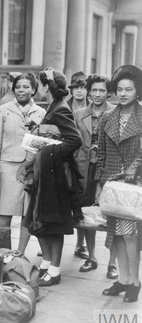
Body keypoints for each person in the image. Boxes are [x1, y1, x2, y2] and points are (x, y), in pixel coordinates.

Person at [24, 68, 82, 287]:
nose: (38, 88)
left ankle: (55, 271)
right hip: (46, 171)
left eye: (40, 84)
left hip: (55, 174)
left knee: (53, 221)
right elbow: (55, 134)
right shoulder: (53, 107)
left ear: (47, 87)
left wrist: (50, 149)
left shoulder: (60, 109)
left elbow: (74, 140)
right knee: (42, 219)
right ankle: (47, 264)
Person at [97, 65, 142, 303]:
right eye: (119, 89)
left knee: (131, 235)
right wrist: (98, 184)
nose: (123, 93)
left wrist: (131, 173)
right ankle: (123, 279)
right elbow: (101, 154)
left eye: (129, 89)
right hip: (111, 186)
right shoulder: (107, 118)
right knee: (116, 235)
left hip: (135, 185)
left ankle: (134, 281)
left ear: (138, 91)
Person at [0, 73, 46, 255]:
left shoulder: (41, 112)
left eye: (26, 87)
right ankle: (1, 253)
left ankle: (20, 253)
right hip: (8, 166)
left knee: (27, 214)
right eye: (18, 87)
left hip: (32, 168)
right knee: (4, 212)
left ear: (34, 90)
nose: (21, 90)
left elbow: (42, 141)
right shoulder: (2, 109)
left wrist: (34, 162)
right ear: (13, 89)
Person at [74, 74, 116, 274]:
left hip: (110, 170)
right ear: (88, 92)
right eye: (94, 90)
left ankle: (113, 263)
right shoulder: (79, 113)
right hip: (85, 171)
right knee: (86, 214)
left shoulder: (116, 113)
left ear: (109, 93)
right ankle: (91, 257)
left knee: (114, 216)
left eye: (102, 90)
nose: (98, 94)